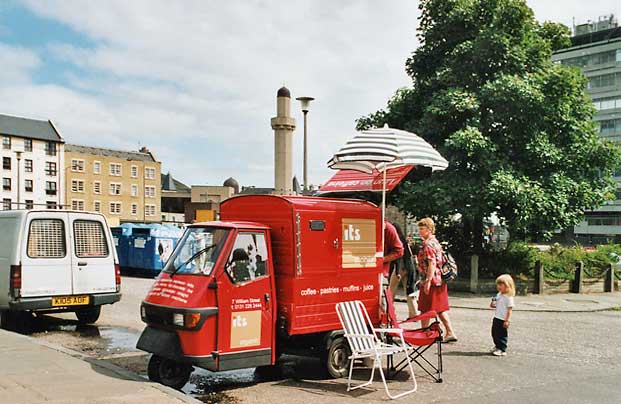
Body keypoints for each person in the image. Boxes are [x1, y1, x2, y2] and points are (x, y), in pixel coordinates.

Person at [416, 218, 458, 343]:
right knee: (439, 308)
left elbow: (432, 263)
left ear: (429, 229)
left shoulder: (428, 244)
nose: (419, 231)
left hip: (432, 281)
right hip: (440, 280)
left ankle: (425, 332)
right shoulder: (435, 242)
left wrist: (428, 281)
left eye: (422, 229)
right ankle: (449, 332)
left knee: (425, 307)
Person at [388, 222, 419, 319]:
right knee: (409, 290)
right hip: (409, 267)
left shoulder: (396, 241)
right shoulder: (405, 241)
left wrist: (397, 271)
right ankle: (413, 314)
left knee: (391, 291)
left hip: (400, 268)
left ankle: (389, 313)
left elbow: (398, 257)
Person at [490, 274, 515, 356]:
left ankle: (502, 349)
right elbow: (496, 303)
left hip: (503, 319)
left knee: (502, 335)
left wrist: (507, 320)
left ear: (508, 285)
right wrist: (493, 304)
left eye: (501, 285)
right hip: (497, 317)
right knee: (494, 333)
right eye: (498, 284)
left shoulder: (509, 297)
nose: (499, 286)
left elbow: (509, 310)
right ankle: (497, 346)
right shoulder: (499, 294)